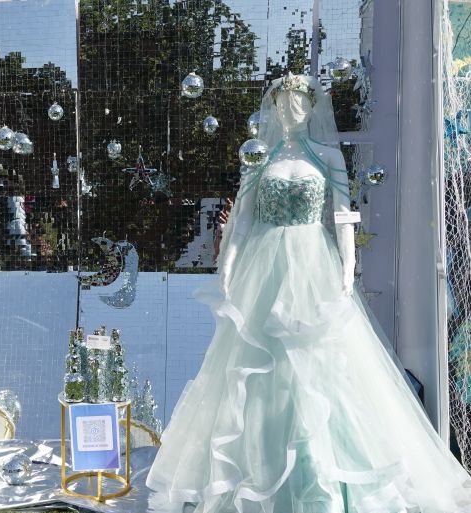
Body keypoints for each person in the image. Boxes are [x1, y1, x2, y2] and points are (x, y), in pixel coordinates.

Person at [146, 73, 471, 513]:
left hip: (313, 264)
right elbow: (243, 218)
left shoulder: (327, 155)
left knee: (320, 365)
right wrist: (229, 265)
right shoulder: (260, 158)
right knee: (258, 365)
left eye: (298, 104)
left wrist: (348, 266)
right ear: (274, 107)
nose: (290, 111)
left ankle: (323, 474)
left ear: (312, 108)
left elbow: (342, 214)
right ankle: (255, 473)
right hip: (265, 267)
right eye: (283, 104)